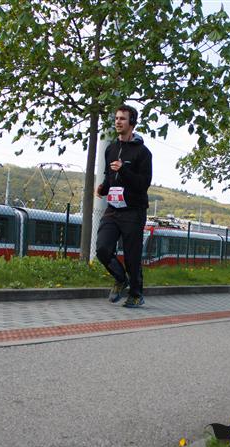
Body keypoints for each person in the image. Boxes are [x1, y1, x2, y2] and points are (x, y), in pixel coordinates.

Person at [95, 104, 152, 308]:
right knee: (102, 248)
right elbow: (109, 176)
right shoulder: (111, 149)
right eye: (116, 118)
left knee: (132, 256)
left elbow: (143, 183)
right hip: (113, 209)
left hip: (134, 211)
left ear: (132, 123)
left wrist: (124, 170)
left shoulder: (143, 153)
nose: (118, 122)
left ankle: (136, 294)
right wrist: (103, 188)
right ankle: (120, 279)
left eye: (122, 119)